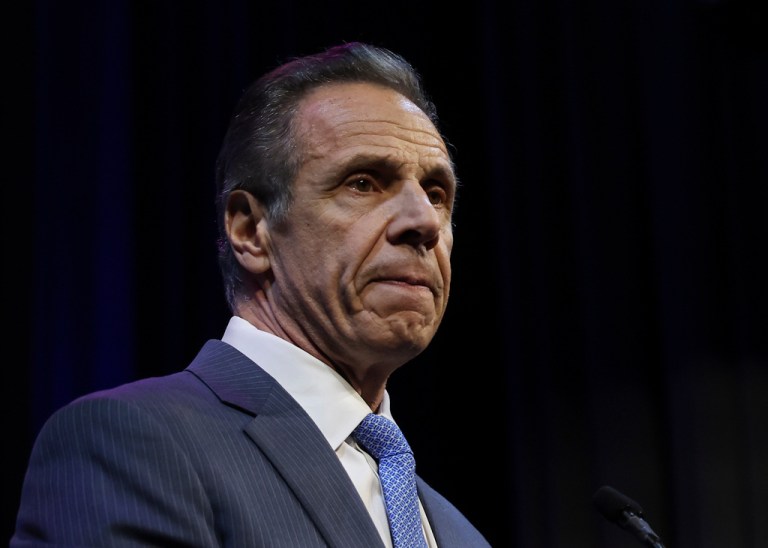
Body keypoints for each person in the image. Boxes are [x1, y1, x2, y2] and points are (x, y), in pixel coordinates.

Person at [12, 41, 491, 547]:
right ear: (250, 230)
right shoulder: (131, 444)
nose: (424, 222)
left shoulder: (457, 533)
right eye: (364, 183)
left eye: (437, 194)